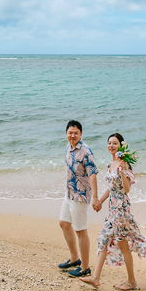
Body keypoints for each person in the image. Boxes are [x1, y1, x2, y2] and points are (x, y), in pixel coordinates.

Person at [80, 132, 146, 290]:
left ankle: (131, 281)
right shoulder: (111, 164)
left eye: (115, 143)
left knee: (123, 245)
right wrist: (100, 201)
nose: (111, 145)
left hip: (121, 210)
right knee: (103, 239)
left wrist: (122, 171)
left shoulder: (125, 165)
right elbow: (111, 188)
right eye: (109, 143)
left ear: (121, 146)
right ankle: (95, 278)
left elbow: (126, 189)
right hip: (112, 209)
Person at [58, 119, 99, 278]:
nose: (73, 135)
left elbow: (93, 174)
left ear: (81, 134)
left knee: (81, 231)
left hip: (80, 196)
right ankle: (75, 258)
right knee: (64, 224)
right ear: (66, 133)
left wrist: (95, 197)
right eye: (70, 132)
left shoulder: (85, 151)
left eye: (76, 133)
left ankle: (85, 268)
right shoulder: (68, 147)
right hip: (69, 193)